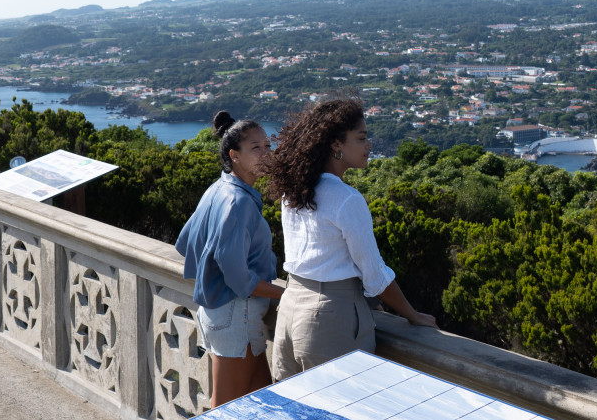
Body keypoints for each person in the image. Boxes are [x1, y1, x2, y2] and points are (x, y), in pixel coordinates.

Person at [263, 94, 437, 380]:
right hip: (329, 322)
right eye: (361, 138)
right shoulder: (346, 199)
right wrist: (413, 315)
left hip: (290, 310)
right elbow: (375, 275)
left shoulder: (293, 191)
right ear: (336, 144)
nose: (369, 145)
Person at [175, 111, 284, 407]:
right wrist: (285, 294)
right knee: (225, 408)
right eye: (256, 148)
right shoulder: (238, 202)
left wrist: (211, 267)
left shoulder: (218, 188)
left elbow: (185, 242)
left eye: (267, 145)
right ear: (234, 155)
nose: (266, 153)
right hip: (237, 314)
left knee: (262, 403)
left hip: (221, 312)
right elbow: (238, 279)